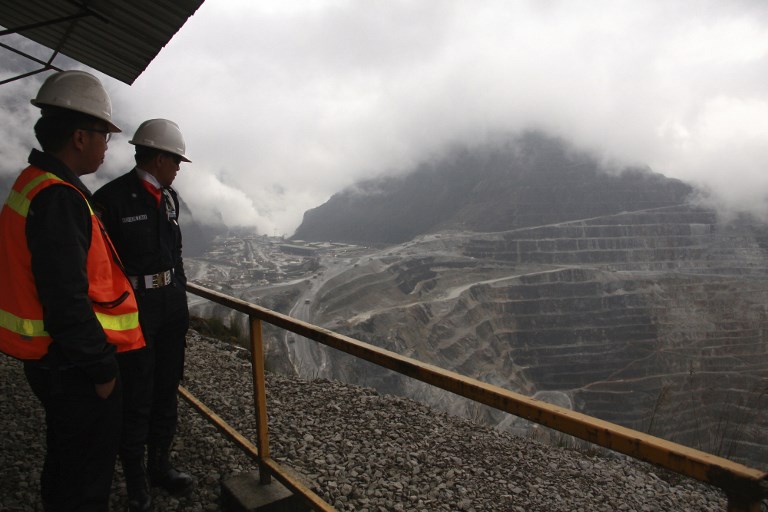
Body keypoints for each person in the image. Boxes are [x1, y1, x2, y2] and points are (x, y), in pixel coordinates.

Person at [0, 70, 146, 511]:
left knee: (67, 461)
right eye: (104, 134)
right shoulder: (59, 198)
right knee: (84, 474)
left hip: (56, 361)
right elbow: (66, 297)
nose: (107, 145)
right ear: (80, 137)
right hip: (73, 367)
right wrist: (101, 370)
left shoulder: (37, 184)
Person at [93, 119, 194, 511]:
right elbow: (100, 266)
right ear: (157, 157)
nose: (179, 167)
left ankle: (160, 467)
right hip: (134, 312)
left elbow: (175, 252)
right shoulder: (111, 200)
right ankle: (137, 482)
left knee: (166, 388)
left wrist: (179, 296)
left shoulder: (168, 198)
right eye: (175, 160)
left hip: (168, 307)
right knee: (137, 394)